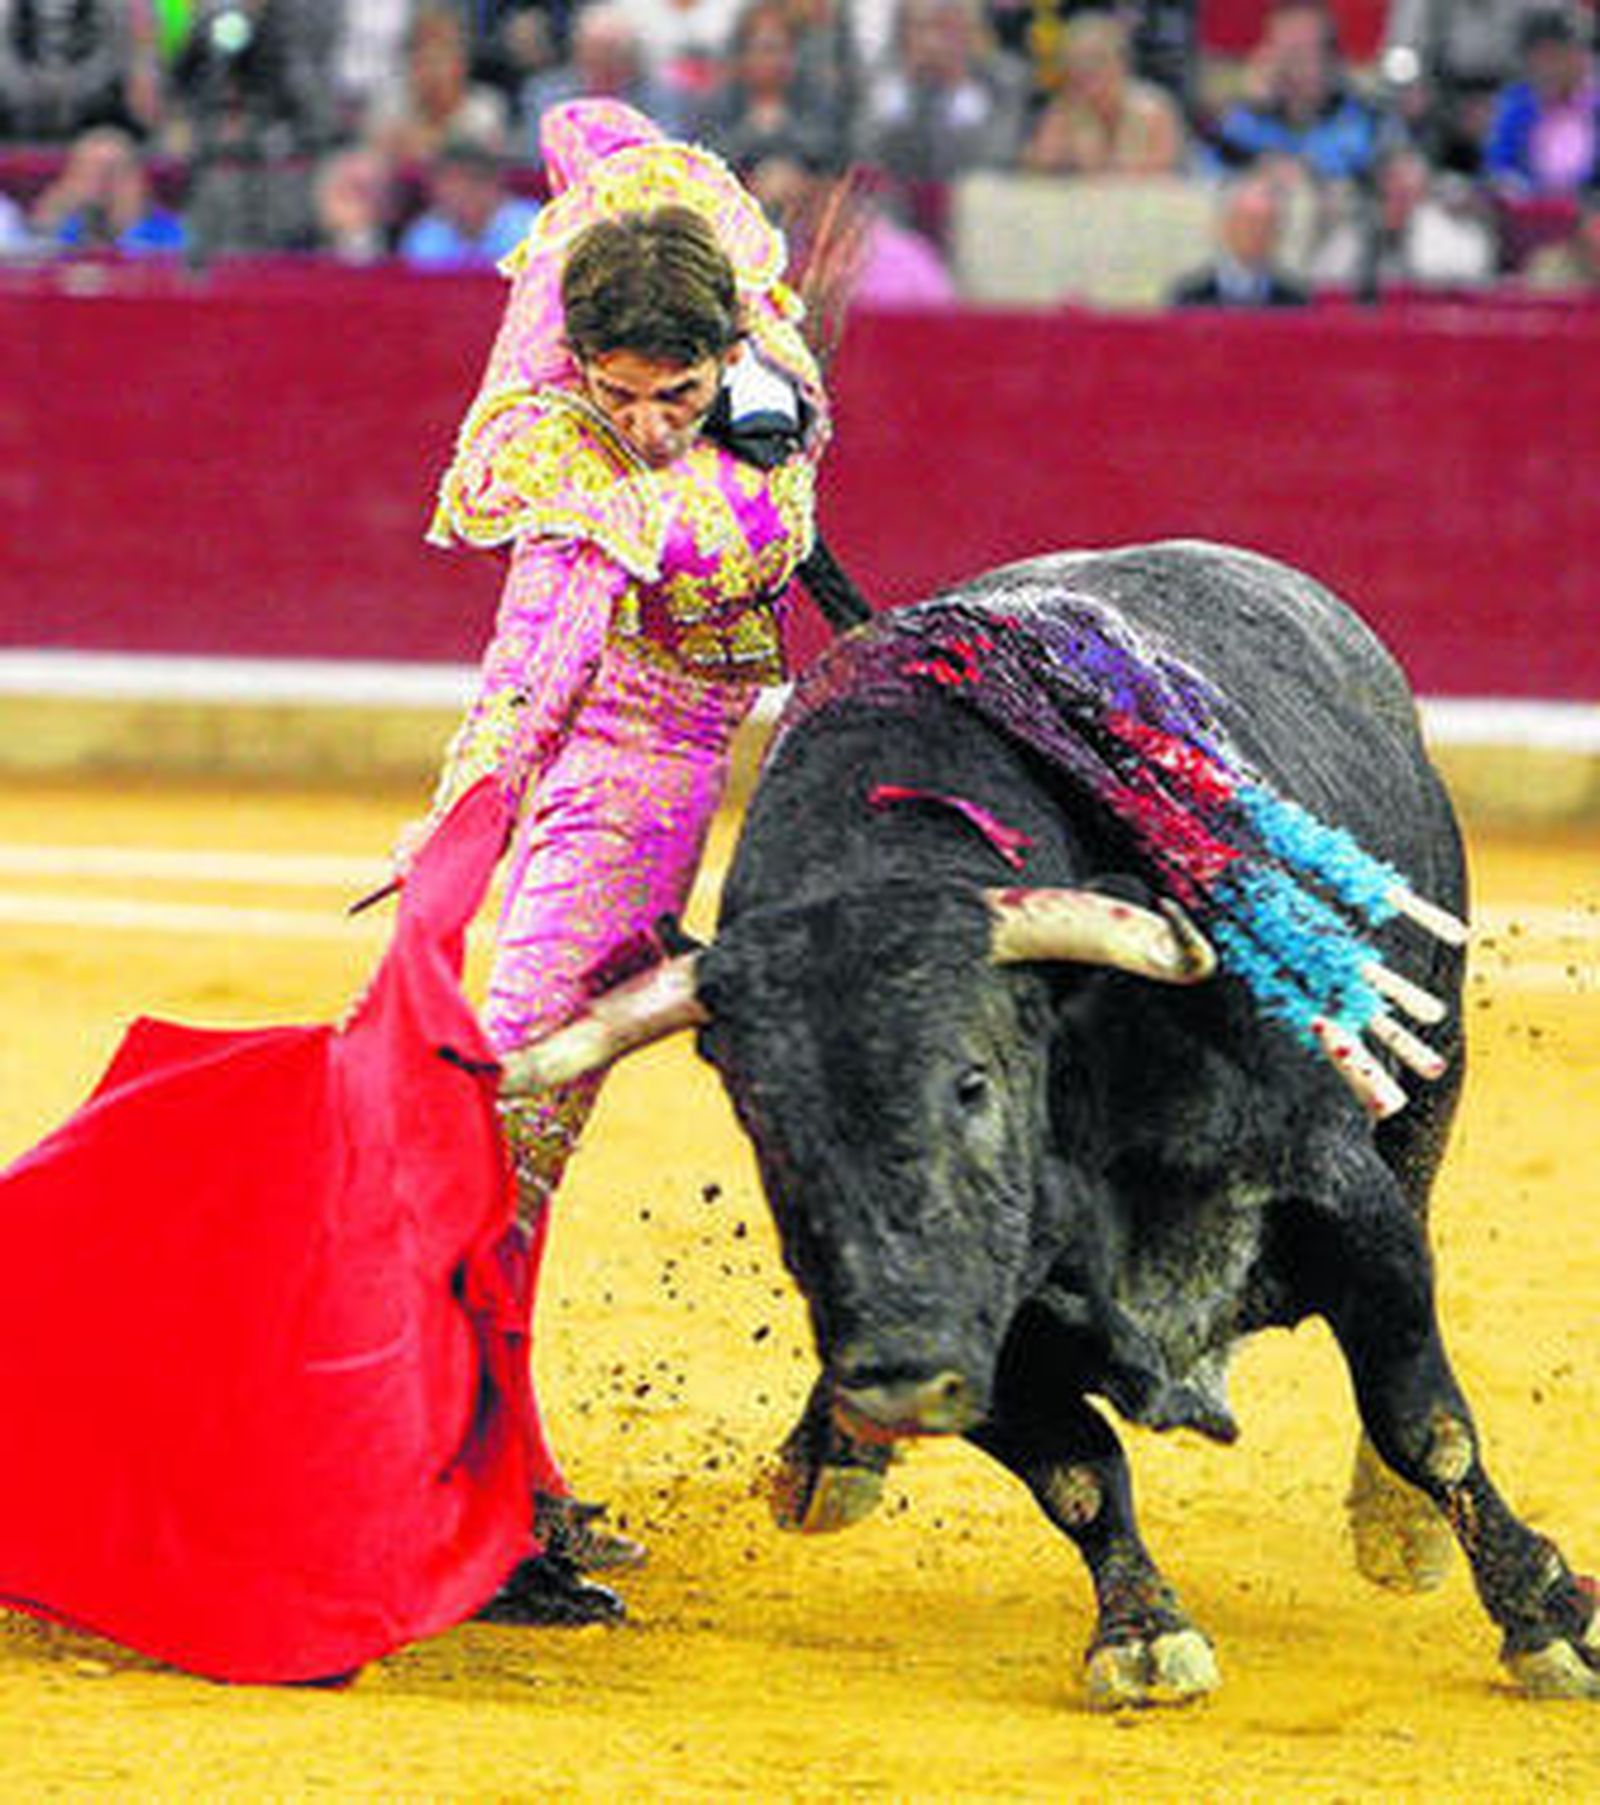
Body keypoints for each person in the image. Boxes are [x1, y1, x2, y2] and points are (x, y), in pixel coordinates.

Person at [412, 96, 845, 1621]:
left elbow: (584, 119)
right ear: (579, 365)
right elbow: (538, 667)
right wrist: (467, 819)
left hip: (764, 754)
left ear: (722, 346)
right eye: (622, 393)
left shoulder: (733, 289)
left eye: (675, 393)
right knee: (516, 1127)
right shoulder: (575, 465)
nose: (647, 422)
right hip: (627, 773)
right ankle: (474, 1494)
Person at [852, 0, 1030, 186]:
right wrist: (907, 85)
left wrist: (957, 85)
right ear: (903, 33)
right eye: (920, 27)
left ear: (970, 30)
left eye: (945, 27)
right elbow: (863, 153)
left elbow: (996, 160)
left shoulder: (1005, 81)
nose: (933, 40)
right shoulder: (881, 77)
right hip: (894, 202)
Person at [1211, 0, 1385, 184]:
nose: (1310, 67)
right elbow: (1208, 170)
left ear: (1334, 56)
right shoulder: (1247, 121)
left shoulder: (1364, 122)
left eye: (1319, 49)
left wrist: (1304, 171)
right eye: (1294, 53)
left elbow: (1359, 164)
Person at [1018, 8, 1188, 178]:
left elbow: (1163, 177)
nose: (1086, 69)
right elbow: (1037, 171)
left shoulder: (1153, 111)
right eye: (1076, 60)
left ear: (1121, 62)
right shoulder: (1063, 111)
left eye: (1097, 58)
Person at [1306, 143, 1499, 291]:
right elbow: (1323, 283)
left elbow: (1470, 280)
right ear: (1381, 186)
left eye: (1411, 190)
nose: (1402, 196)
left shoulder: (1459, 239)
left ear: (1424, 190)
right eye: (1395, 184)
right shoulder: (1353, 235)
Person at [517, 1, 686, 161]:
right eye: (593, 49)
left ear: (630, 55)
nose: (602, 59)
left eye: (611, 50)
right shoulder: (546, 92)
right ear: (577, 50)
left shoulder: (660, 95)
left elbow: (666, 150)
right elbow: (538, 153)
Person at [693, 0, 846, 174]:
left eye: (781, 49)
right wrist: (753, 131)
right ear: (743, 54)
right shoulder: (721, 100)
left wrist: (780, 130)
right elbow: (711, 154)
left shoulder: (814, 94)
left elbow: (827, 149)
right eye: (763, 49)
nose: (772, 60)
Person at [1482, 6, 1600, 194]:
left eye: (1564, 54)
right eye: (1544, 56)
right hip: (1531, 213)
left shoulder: (1594, 107)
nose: (1554, 66)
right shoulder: (1516, 105)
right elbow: (1498, 167)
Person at [28, 123, 188, 256]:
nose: (100, 185)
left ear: (137, 180)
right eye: (87, 172)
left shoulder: (176, 239)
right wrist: (46, 223)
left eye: (111, 172)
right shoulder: (57, 236)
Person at [1168, 168, 1311, 305]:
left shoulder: (1297, 297)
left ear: (1278, 232)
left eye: (1268, 223)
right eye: (1249, 222)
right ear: (1226, 227)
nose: (1258, 232)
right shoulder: (1190, 295)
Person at [397, 135, 541, 266]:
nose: (457, 195)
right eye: (448, 186)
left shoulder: (530, 227)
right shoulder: (426, 235)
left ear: (492, 185)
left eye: (469, 183)